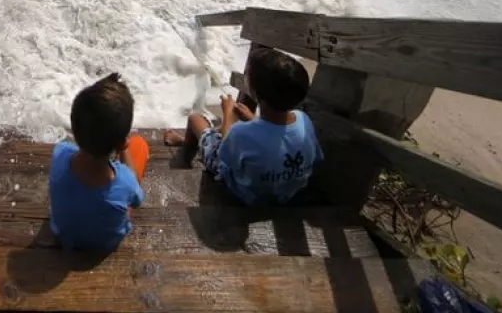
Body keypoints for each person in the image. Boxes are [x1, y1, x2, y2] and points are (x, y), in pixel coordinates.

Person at [165, 46, 321, 205]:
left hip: (248, 195)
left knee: (195, 119)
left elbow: (223, 151)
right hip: (287, 194)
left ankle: (187, 147)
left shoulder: (241, 133)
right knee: (241, 135)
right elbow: (285, 143)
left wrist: (227, 112)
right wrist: (253, 120)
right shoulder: (304, 121)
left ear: (255, 94)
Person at [48, 72, 150, 251]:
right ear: (119, 142)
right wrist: (124, 148)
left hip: (65, 236)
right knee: (139, 145)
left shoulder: (60, 154)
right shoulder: (125, 182)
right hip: (105, 244)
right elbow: (137, 200)